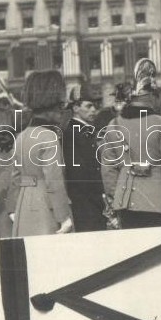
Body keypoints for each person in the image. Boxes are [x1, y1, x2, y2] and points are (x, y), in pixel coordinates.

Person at [101, 58, 161, 229]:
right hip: (156, 201)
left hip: (124, 201)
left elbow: (108, 170)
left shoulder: (114, 124)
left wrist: (114, 200)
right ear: (153, 96)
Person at [8, 70, 74, 237]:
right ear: (50, 106)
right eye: (60, 106)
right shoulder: (49, 136)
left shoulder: (21, 136)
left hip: (24, 206)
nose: (62, 110)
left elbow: (15, 178)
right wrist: (64, 217)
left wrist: (14, 208)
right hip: (47, 207)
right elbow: (54, 181)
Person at [61, 82, 107, 233]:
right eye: (88, 106)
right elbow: (77, 174)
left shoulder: (83, 130)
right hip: (85, 205)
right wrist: (100, 196)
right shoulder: (72, 133)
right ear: (75, 108)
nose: (94, 110)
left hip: (91, 203)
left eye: (95, 106)